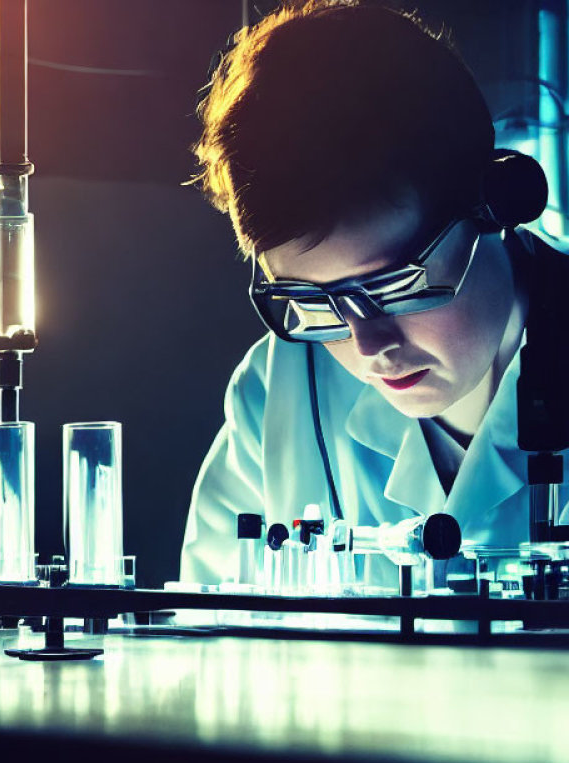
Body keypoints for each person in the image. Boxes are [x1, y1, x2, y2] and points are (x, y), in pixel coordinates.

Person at [180, 0, 567, 590]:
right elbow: (214, 644)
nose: (368, 347)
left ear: (495, 206)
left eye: (395, 284)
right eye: (317, 302)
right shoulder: (276, 391)